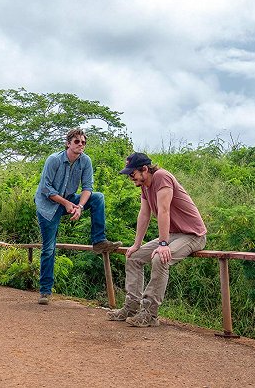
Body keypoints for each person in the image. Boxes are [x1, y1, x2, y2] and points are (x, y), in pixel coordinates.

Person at [108, 152, 207, 327]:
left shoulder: (162, 177)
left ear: (145, 169)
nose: (131, 178)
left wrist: (162, 244)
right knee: (134, 257)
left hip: (193, 235)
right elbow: (144, 214)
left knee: (160, 258)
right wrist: (137, 244)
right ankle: (130, 308)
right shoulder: (144, 185)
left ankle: (150, 314)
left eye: (132, 173)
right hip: (173, 235)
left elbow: (163, 210)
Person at [35, 127, 120, 305]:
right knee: (49, 248)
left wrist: (79, 206)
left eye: (83, 142)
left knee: (98, 198)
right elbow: (46, 189)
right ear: (68, 143)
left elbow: (87, 187)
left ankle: (99, 240)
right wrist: (66, 204)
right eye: (77, 142)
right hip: (48, 205)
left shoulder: (85, 161)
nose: (81, 145)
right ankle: (45, 291)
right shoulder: (54, 160)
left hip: (70, 199)